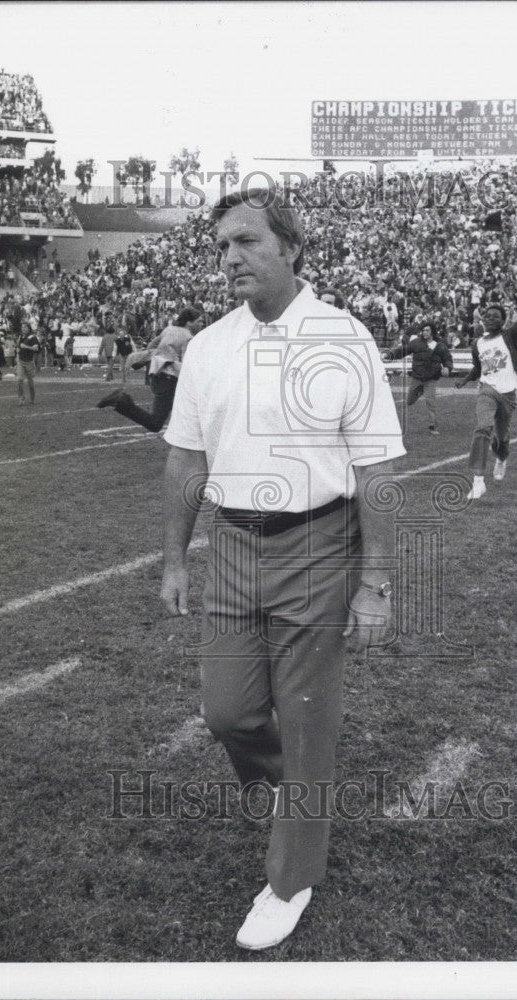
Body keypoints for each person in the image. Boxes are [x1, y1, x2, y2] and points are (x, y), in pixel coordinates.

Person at [160, 190, 405, 950]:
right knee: (227, 712)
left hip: (317, 545)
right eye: (221, 246)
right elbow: (186, 457)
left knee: (306, 723)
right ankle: (304, 796)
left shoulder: (343, 337)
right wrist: (174, 556)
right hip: (232, 545)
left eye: (245, 242)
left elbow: (380, 467)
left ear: (291, 248)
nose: (229, 258)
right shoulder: (207, 346)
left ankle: (289, 879)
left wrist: (375, 580)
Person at [456, 277, 517, 499]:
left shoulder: (511, 335)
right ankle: (478, 481)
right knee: (482, 428)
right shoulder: (477, 343)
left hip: (508, 394)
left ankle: (501, 457)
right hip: (487, 390)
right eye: (487, 315)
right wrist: (466, 379)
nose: (490, 318)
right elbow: (478, 367)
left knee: (501, 438)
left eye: (495, 316)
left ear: (503, 321)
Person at [95, 308, 203, 432]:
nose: (202, 324)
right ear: (189, 322)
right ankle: (121, 401)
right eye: (199, 321)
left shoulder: (168, 330)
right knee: (156, 423)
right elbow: (186, 364)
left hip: (158, 375)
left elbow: (151, 346)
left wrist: (158, 356)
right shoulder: (189, 337)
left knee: (186, 413)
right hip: (170, 380)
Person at [383, 320, 453, 435]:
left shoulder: (440, 346)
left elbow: (448, 359)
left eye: (427, 330)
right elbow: (402, 350)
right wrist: (390, 355)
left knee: (431, 402)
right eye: (423, 330)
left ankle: (433, 427)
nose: (424, 332)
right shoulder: (416, 343)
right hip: (417, 377)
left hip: (431, 378)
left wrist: (447, 368)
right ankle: (419, 391)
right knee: (409, 400)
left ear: (432, 331)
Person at [16, 320, 40, 406]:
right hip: (21, 361)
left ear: (29, 328)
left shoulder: (32, 337)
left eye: (25, 327)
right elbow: (18, 348)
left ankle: (32, 398)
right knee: (19, 380)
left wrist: (25, 346)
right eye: (22, 327)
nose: (23, 329)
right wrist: (17, 355)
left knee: (30, 382)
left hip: (29, 362)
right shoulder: (20, 337)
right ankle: (21, 398)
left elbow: (36, 349)